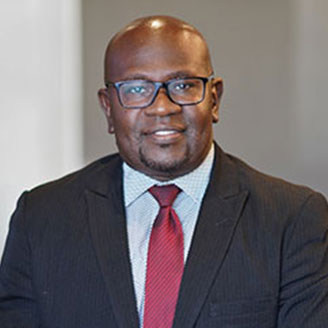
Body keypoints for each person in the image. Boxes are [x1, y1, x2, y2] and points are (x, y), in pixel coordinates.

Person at [0, 15, 327, 328]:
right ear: (108, 108)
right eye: (137, 89)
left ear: (214, 100)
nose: (162, 107)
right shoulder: (41, 219)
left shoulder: (293, 220)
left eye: (183, 85)